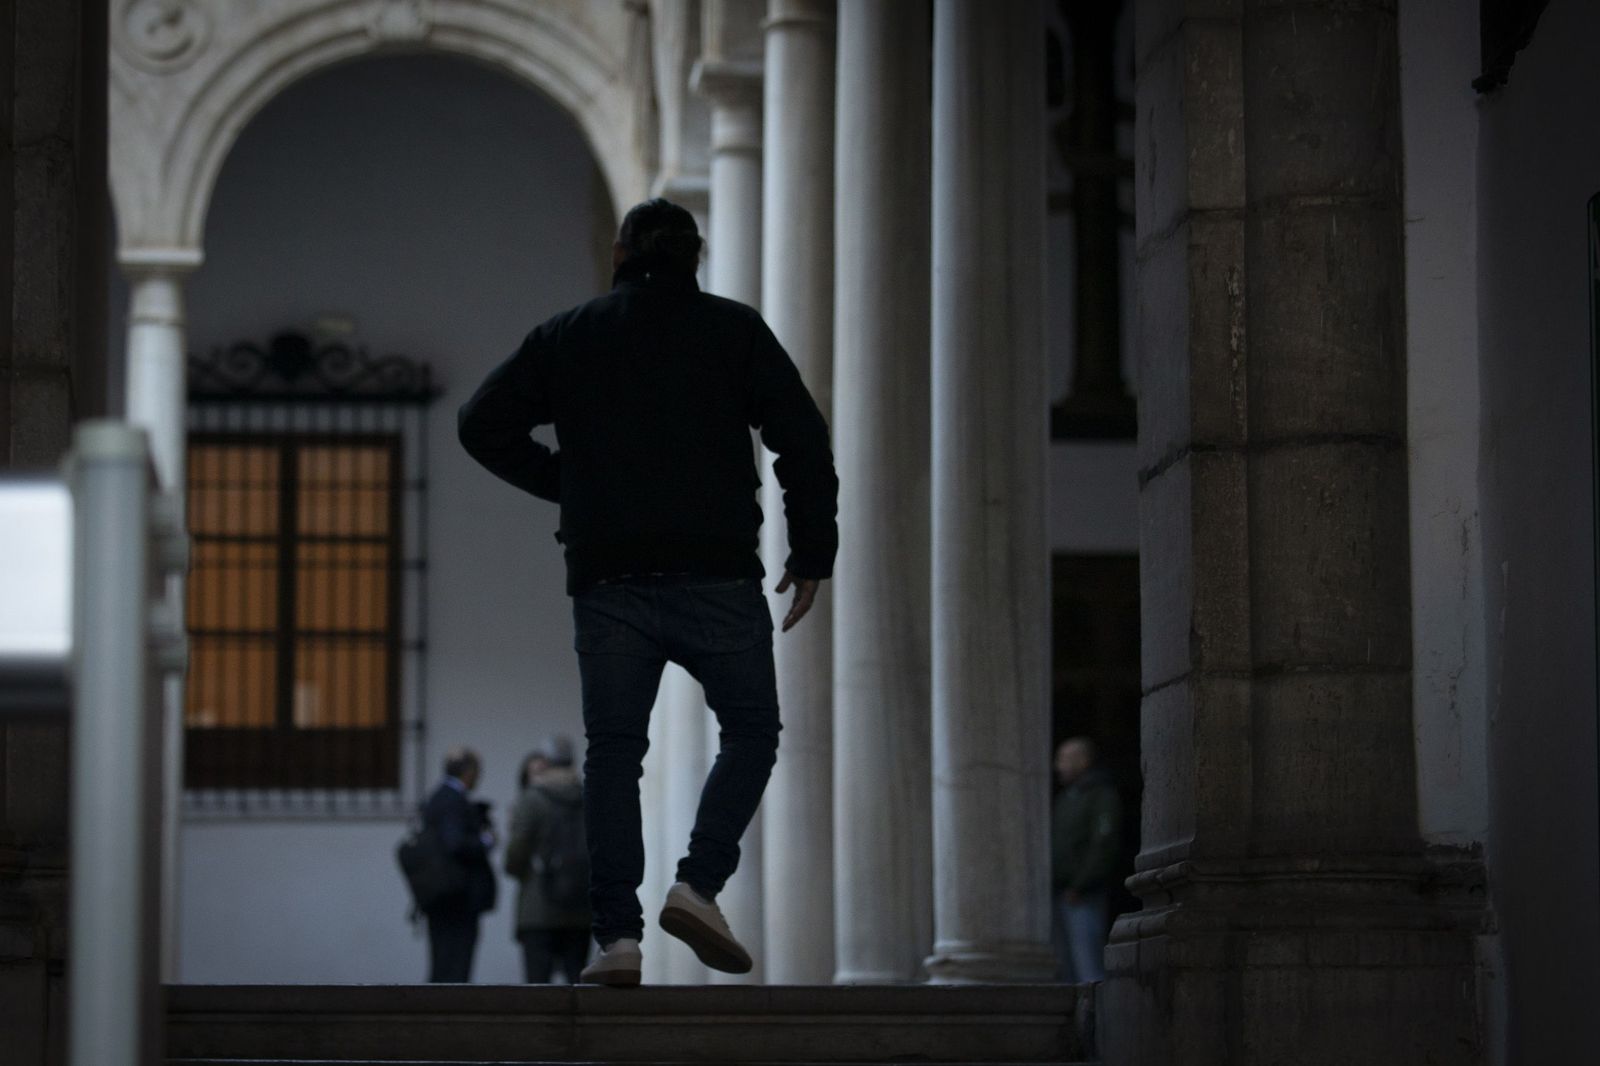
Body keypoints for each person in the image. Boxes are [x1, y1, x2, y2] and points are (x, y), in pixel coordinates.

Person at [458, 198, 838, 987]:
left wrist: (574, 487)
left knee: (613, 755)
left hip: (610, 579)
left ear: (621, 252)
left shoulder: (571, 333)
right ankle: (697, 886)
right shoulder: (733, 331)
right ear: (694, 257)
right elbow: (802, 438)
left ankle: (617, 942)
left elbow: (480, 423)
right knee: (752, 732)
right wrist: (812, 551)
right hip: (717, 573)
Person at [504, 736, 592, 983]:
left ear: (545, 761)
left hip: (538, 906)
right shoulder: (587, 796)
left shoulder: (533, 798)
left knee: (537, 988)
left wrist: (517, 870)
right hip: (580, 906)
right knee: (577, 983)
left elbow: (516, 853)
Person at [420, 747, 498, 982]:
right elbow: (455, 844)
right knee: (455, 966)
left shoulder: (440, 797)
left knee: (444, 963)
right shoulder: (453, 799)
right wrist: (485, 841)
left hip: (445, 895)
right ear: (469, 771)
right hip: (458, 896)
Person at [1051, 736, 1122, 983]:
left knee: (1088, 966)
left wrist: (1081, 884)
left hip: (1083, 894)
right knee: (1065, 968)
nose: (1058, 766)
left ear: (1083, 761)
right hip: (1059, 892)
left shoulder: (1101, 796)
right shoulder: (1066, 799)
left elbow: (1104, 844)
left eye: (1064, 759)